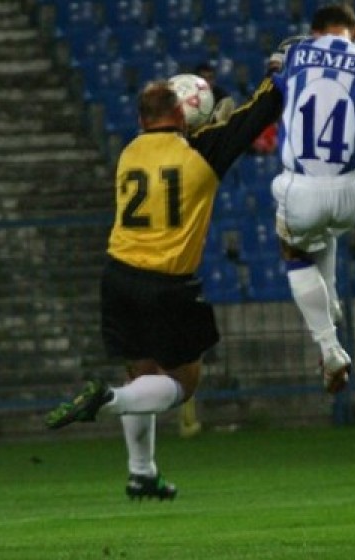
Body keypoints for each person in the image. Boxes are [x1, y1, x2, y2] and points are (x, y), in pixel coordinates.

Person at [44, 73, 283, 499]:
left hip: (118, 276)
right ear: (183, 115)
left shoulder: (129, 152)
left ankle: (141, 473)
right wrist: (279, 74)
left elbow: (174, 146)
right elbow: (259, 113)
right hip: (168, 283)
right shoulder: (200, 152)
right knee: (182, 384)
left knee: (143, 375)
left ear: (141, 120)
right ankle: (108, 399)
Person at [268, 4, 355, 394]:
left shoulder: (294, 55)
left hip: (303, 190)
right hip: (354, 193)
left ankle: (329, 347)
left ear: (314, 32)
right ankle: (332, 296)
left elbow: (278, 89)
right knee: (325, 230)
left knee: (292, 247)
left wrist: (275, 70)